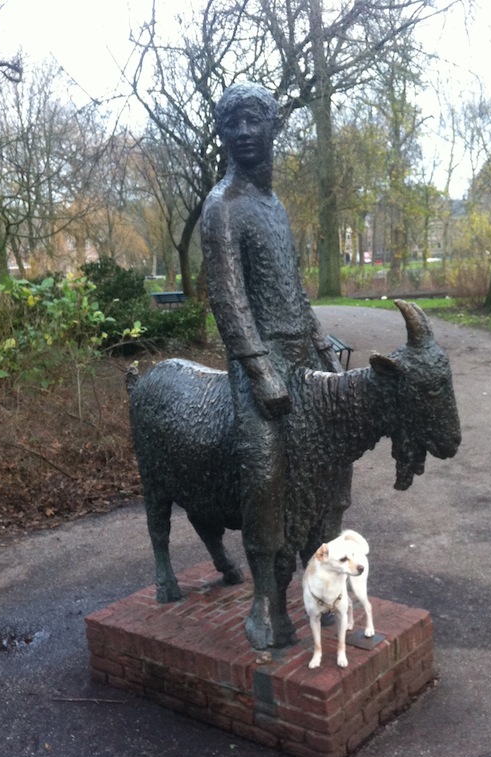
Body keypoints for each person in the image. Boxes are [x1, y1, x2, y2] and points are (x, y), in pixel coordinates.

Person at [201, 82, 348, 647]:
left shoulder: (274, 206)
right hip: (259, 364)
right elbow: (228, 299)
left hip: (302, 357)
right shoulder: (222, 207)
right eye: (232, 123)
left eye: (252, 120)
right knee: (264, 473)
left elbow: (292, 288)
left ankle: (322, 581)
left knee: (328, 466)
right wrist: (259, 370)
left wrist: (319, 340)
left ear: (273, 126)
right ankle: (265, 599)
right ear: (222, 132)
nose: (242, 132)